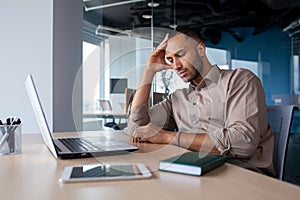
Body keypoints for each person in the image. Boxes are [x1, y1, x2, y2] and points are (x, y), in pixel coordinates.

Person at [127, 29, 274, 175]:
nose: (176, 66)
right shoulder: (178, 98)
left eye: (180, 55)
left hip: (241, 175)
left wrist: (165, 136)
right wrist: (149, 71)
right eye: (170, 60)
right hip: (194, 171)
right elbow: (137, 129)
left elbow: (242, 143)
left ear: (201, 49)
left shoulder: (239, 80)